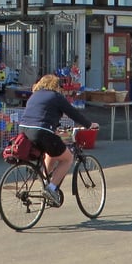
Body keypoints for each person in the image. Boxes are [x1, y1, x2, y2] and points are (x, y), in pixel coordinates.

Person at [19, 74, 99, 205]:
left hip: (24, 132)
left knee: (53, 152)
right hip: (42, 132)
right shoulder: (56, 97)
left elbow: (41, 114)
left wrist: (54, 128)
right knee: (68, 158)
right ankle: (50, 189)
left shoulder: (34, 96)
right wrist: (89, 125)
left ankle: (44, 181)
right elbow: (74, 114)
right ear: (55, 86)